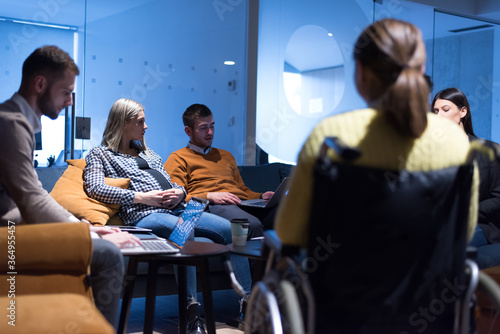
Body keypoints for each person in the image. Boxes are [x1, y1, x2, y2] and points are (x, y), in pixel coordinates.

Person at [274, 19, 478, 333]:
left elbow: (291, 233)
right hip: (431, 315)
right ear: (420, 69)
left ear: (361, 73)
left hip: (343, 315)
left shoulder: (332, 137)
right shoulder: (455, 143)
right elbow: (462, 231)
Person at [0, 45, 140, 329]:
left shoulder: (18, 121)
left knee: (100, 242)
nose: (70, 101)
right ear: (40, 84)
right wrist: (84, 232)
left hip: (14, 231)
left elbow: (34, 193)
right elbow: (31, 201)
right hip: (8, 239)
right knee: (110, 254)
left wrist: (84, 226)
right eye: (66, 92)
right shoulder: (11, 123)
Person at [83, 98, 252, 334]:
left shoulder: (148, 153)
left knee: (233, 229)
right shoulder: (100, 154)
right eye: (141, 121)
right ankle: (191, 311)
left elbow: (174, 183)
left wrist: (179, 192)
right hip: (145, 213)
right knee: (184, 228)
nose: (146, 126)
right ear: (123, 123)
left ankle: (248, 303)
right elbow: (95, 188)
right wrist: (143, 197)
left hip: (179, 206)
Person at [164, 103, 275, 235]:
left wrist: (261, 196)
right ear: (188, 131)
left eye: (212, 126)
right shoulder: (178, 158)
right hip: (212, 205)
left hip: (240, 202)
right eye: (203, 128)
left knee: (286, 217)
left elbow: (242, 190)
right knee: (251, 225)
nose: (210, 132)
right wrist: (209, 196)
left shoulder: (226, 156)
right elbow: (178, 198)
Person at [432, 87, 500, 268]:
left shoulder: (489, 150)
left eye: (445, 110)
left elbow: (498, 198)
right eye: (435, 111)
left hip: (482, 226)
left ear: (463, 112)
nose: (439, 117)